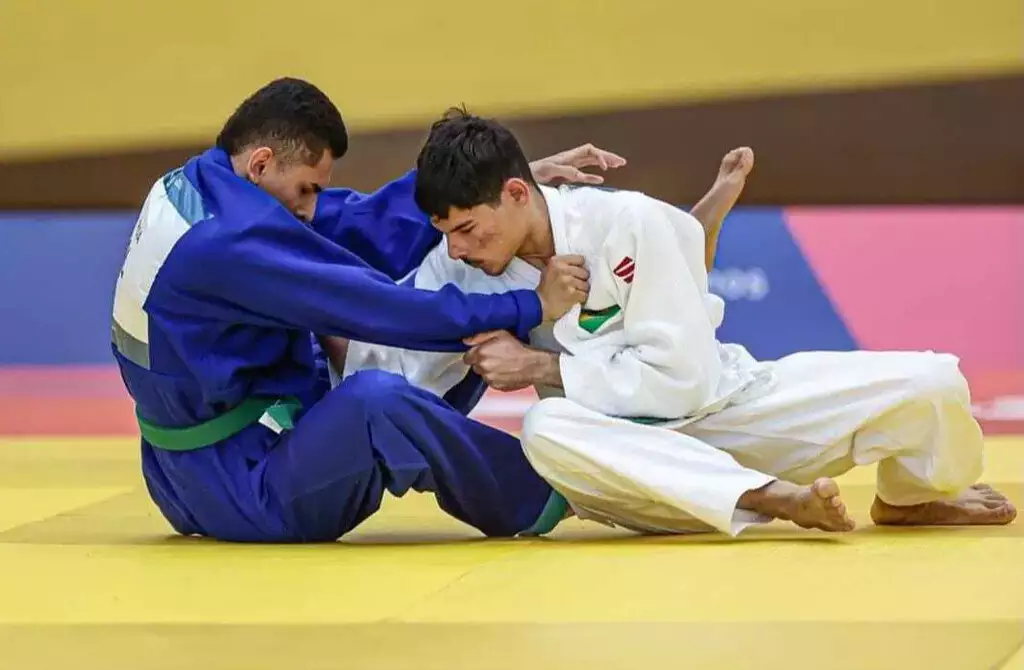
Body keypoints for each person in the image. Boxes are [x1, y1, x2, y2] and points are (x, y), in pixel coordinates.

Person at [336, 107, 1017, 536]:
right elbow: (388, 372)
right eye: (445, 233)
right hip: (629, 458)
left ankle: (911, 497)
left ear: (517, 193)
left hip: (733, 406)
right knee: (545, 430)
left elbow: (684, 380)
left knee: (936, 381)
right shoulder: (457, 269)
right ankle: (766, 497)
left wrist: (539, 365)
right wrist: (314, 324)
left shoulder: (625, 220)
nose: (457, 248)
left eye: (467, 229)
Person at [110, 77, 628, 543]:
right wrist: (529, 305)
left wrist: (489, 193)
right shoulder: (229, 245)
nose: (309, 207)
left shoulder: (199, 185)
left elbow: (355, 221)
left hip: (185, 471)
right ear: (262, 163)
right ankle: (550, 492)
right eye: (306, 189)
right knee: (378, 401)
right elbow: (384, 310)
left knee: (447, 278)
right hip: (243, 491)